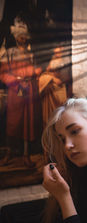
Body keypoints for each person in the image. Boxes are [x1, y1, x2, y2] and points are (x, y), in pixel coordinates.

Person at [0, 16, 42, 168]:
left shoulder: (31, 54)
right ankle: (9, 153)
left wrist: (36, 73)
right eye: (20, 36)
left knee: (28, 122)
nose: (22, 38)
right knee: (14, 122)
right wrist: (16, 84)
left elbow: (36, 71)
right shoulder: (9, 52)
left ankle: (26, 154)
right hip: (16, 89)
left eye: (24, 36)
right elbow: (3, 72)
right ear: (16, 37)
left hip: (29, 89)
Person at [38, 45, 68, 130]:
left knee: (59, 114)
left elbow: (63, 78)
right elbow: (48, 71)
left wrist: (53, 78)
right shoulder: (54, 60)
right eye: (55, 52)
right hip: (51, 89)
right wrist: (50, 78)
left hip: (59, 89)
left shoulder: (64, 62)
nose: (56, 54)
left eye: (58, 52)